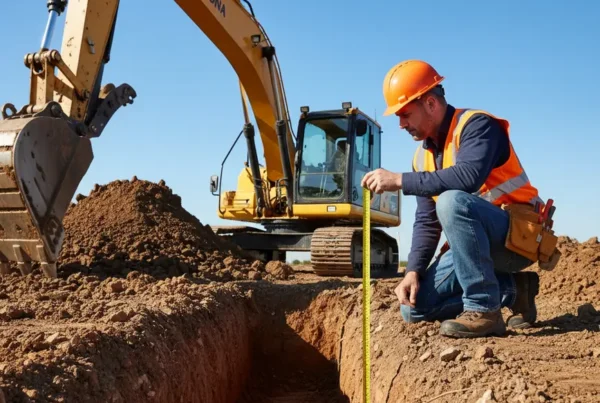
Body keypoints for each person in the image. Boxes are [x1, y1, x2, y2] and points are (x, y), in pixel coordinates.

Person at [361, 59, 545, 338]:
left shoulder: (478, 126)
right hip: (474, 247)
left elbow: (468, 177)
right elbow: (426, 221)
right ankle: (515, 290)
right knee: (413, 309)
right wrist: (413, 271)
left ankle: (484, 310)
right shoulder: (421, 157)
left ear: (431, 104)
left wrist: (399, 180)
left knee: (450, 200)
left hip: (518, 238)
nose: (400, 124)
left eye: (405, 114)